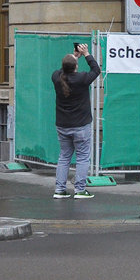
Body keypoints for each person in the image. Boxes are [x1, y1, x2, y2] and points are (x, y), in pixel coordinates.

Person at [52, 43, 102, 198]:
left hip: (62, 125)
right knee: (82, 157)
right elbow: (96, 70)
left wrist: (74, 56)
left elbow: (63, 70)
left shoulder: (56, 77)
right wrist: (86, 53)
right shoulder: (82, 79)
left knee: (64, 156)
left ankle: (59, 189)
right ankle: (80, 190)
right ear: (76, 67)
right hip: (80, 125)